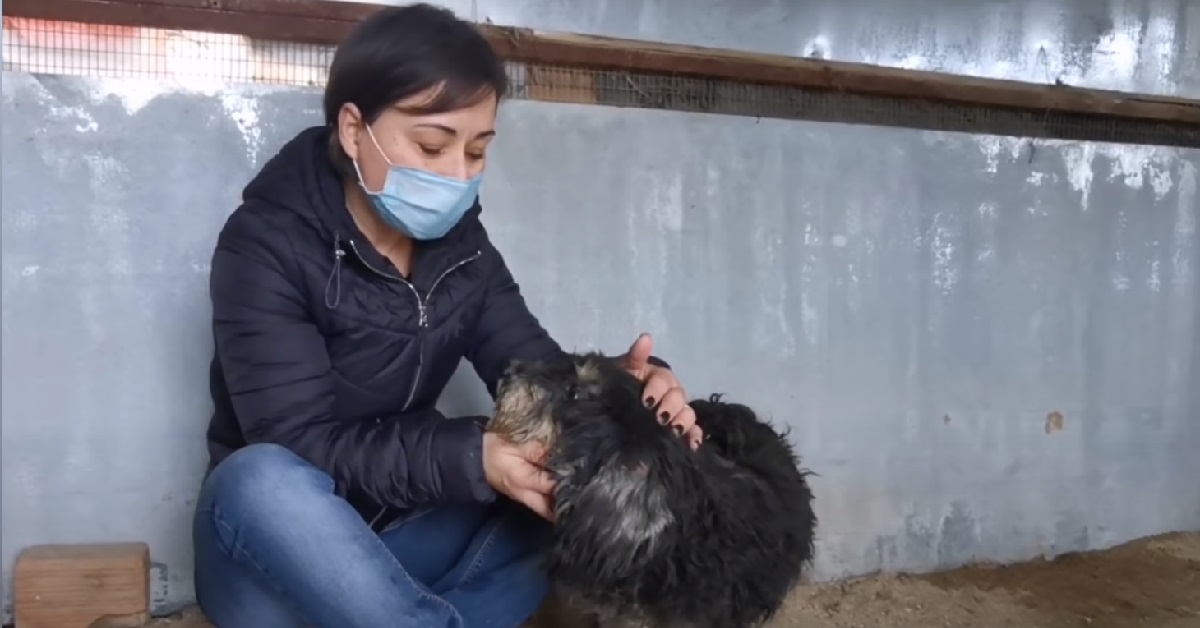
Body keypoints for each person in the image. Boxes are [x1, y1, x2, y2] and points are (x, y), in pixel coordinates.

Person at [191, 4, 702, 628]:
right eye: (433, 145)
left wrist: (628, 386)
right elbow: (300, 439)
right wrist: (472, 458)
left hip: (404, 543)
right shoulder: (265, 245)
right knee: (258, 478)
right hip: (283, 562)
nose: (458, 176)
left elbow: (535, 371)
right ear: (355, 131)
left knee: (559, 486)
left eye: (478, 151)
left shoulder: (463, 250)